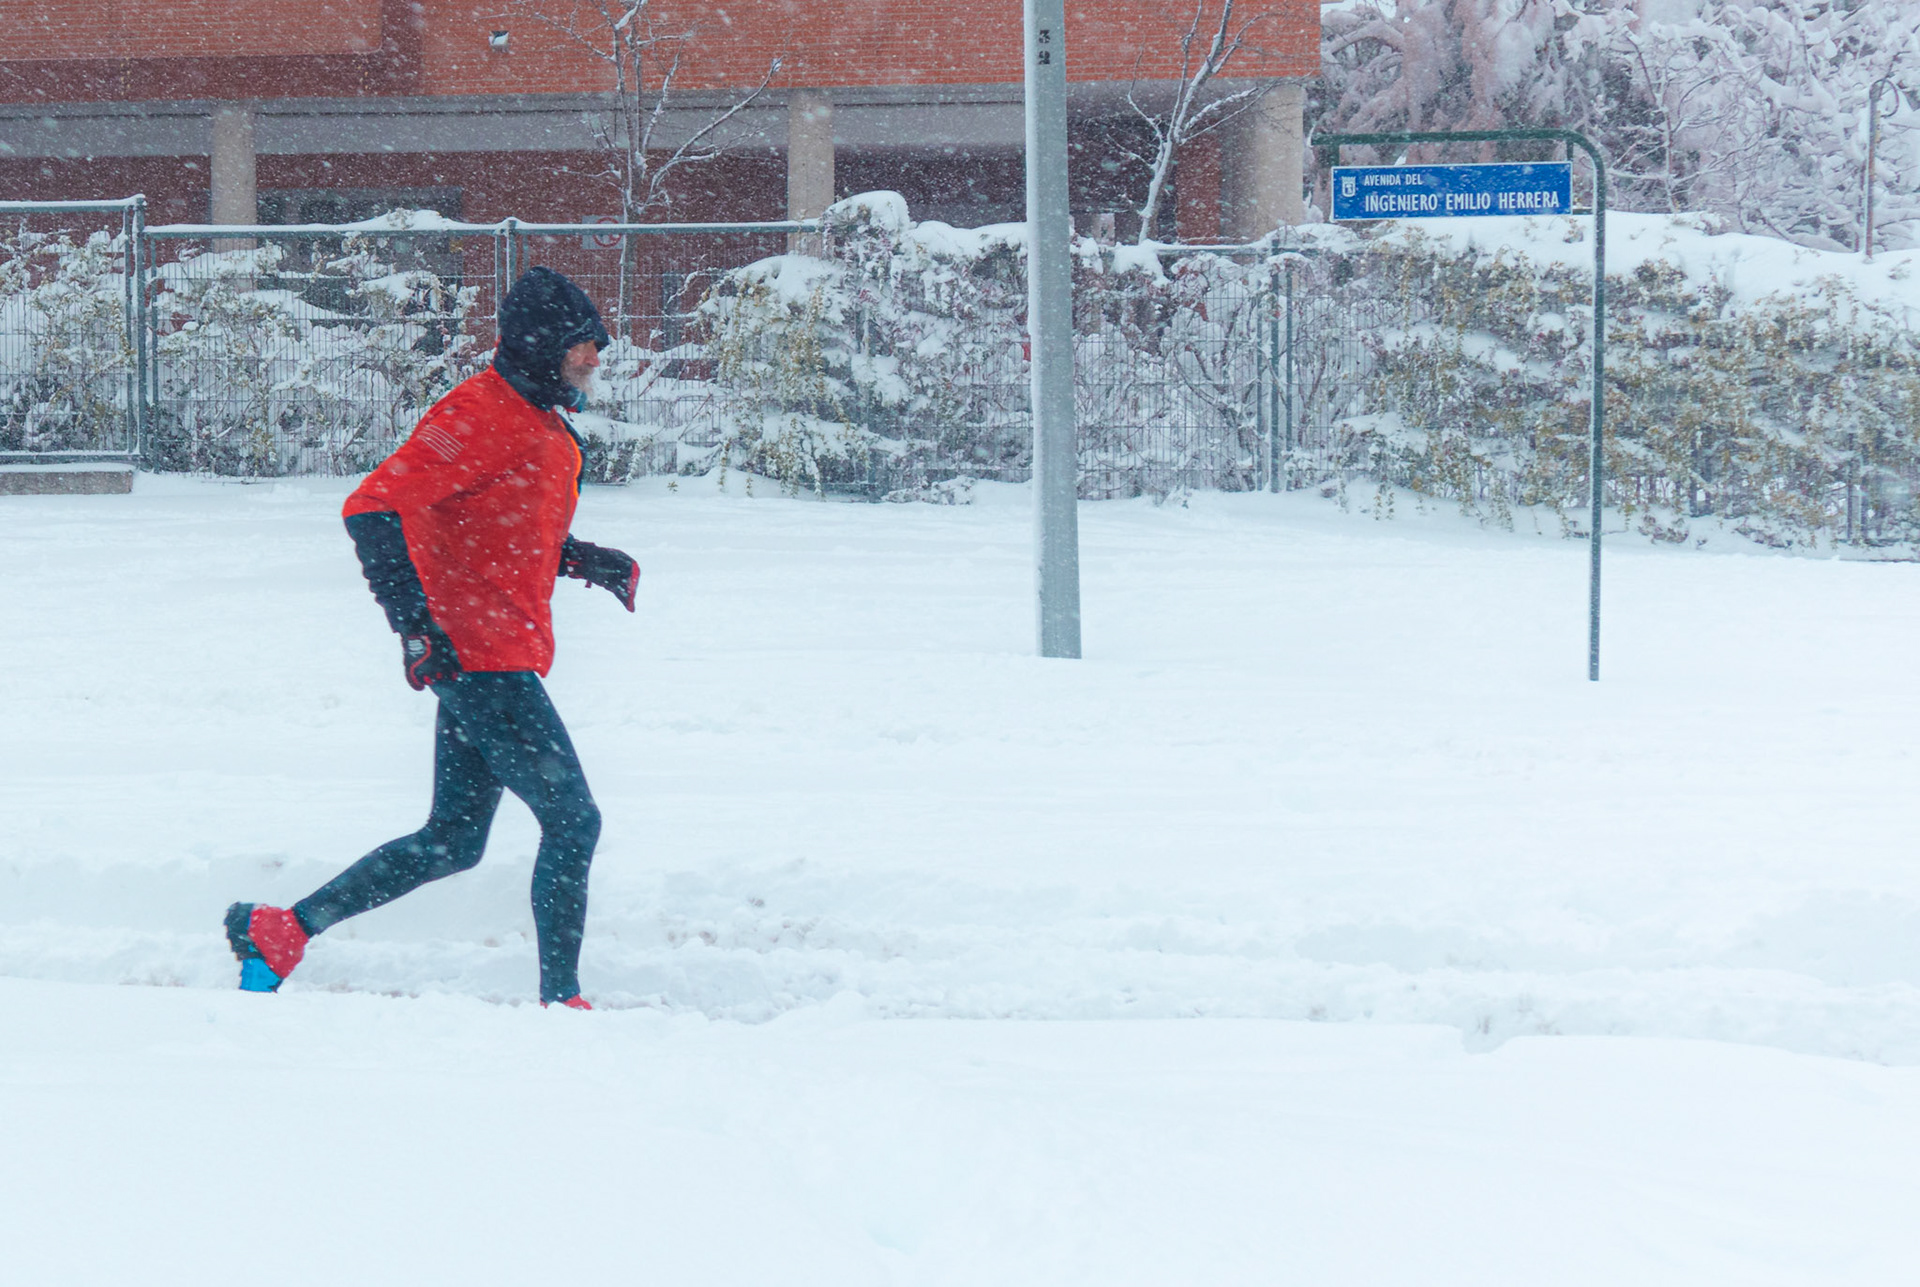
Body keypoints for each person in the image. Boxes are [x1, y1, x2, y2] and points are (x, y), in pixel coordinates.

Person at [224, 266, 639, 1010]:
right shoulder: (478, 413)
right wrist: (414, 627)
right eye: (583, 344)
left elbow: (499, 524)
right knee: (573, 821)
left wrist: (583, 559)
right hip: (479, 658)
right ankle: (563, 1000)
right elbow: (371, 507)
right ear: (541, 346)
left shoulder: (540, 418)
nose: (595, 357)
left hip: (495, 653)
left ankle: (283, 928)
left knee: (453, 840)